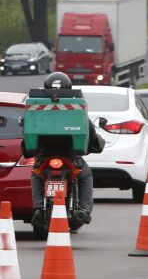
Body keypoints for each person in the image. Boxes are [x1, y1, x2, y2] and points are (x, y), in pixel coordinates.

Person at [27, 71, 104, 228]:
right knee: (86, 175)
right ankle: (84, 209)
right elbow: (91, 136)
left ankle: (38, 208)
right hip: (71, 159)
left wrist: (28, 150)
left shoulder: (37, 107)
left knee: (36, 175)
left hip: (44, 158)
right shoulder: (76, 108)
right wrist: (95, 146)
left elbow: (27, 136)